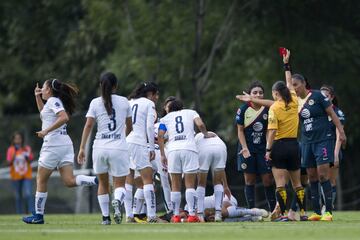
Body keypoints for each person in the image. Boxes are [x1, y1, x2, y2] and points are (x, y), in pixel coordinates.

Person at [23, 79, 98, 224]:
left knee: (41, 179)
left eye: (43, 88)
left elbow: (64, 117)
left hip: (53, 145)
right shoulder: (52, 102)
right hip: (64, 143)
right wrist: (37, 96)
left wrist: (46, 131)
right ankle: (98, 180)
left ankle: (38, 216)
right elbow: (44, 113)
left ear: (49, 90)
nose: (42, 90)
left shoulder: (52, 101)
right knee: (69, 181)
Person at [285, 51, 346, 221]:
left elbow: (332, 114)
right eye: (293, 86)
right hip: (306, 142)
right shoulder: (295, 100)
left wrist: (341, 132)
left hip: (323, 140)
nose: (294, 88)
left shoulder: (318, 95)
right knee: (311, 176)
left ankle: (328, 212)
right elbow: (287, 86)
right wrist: (286, 65)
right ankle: (317, 212)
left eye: (297, 85)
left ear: (304, 84)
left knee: (323, 175)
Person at [78, 72, 132, 225]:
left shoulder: (95, 102)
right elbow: (130, 126)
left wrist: (82, 147)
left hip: (100, 147)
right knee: (119, 185)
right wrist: (122, 137)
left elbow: (88, 125)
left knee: (102, 184)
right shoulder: (124, 102)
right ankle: (118, 200)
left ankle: (106, 218)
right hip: (118, 147)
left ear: (101, 85)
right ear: (116, 86)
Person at [158, 98, 215, 223]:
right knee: (190, 185)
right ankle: (192, 215)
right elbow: (200, 124)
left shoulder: (166, 118)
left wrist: (162, 154)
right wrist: (205, 134)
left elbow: (160, 135)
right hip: (189, 149)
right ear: (182, 107)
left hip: (173, 151)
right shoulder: (191, 112)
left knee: (175, 185)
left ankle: (176, 215)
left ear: (170, 109)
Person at [236, 81, 276, 213]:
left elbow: (269, 130)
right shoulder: (243, 109)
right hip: (247, 148)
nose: (258, 95)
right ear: (249, 94)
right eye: (255, 92)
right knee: (249, 180)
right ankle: (251, 211)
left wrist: (268, 149)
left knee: (268, 180)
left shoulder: (268, 108)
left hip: (263, 149)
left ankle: (273, 211)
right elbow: (240, 130)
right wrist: (245, 148)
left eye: (260, 92)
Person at [125, 82, 160, 223]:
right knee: (147, 179)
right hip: (138, 142)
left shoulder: (129, 102)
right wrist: (151, 147)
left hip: (125, 142)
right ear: (150, 94)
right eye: (156, 94)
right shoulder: (148, 103)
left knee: (128, 180)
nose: (157, 97)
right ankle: (151, 216)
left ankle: (129, 216)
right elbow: (150, 127)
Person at [320, 85, 345, 210]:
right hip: (319, 149)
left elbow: (340, 135)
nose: (324, 99)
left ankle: (327, 206)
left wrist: (335, 154)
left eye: (327, 96)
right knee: (319, 178)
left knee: (331, 180)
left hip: (333, 148)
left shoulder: (337, 112)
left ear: (332, 97)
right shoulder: (318, 111)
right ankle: (322, 205)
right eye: (322, 96)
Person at [194, 131, 229, 222]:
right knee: (217, 182)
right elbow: (222, 172)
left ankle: (200, 214)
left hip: (204, 150)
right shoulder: (214, 135)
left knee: (201, 183)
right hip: (221, 147)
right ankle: (218, 214)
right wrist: (225, 185)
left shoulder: (194, 140)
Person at [7, 132, 34, 214]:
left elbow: (31, 160)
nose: (18, 140)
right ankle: (19, 213)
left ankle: (32, 212)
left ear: (22, 139)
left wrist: (25, 155)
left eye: (19, 138)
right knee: (18, 196)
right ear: (13, 140)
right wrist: (14, 154)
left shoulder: (26, 148)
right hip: (15, 176)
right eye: (16, 139)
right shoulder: (11, 149)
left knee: (28, 194)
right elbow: (9, 162)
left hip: (26, 175)